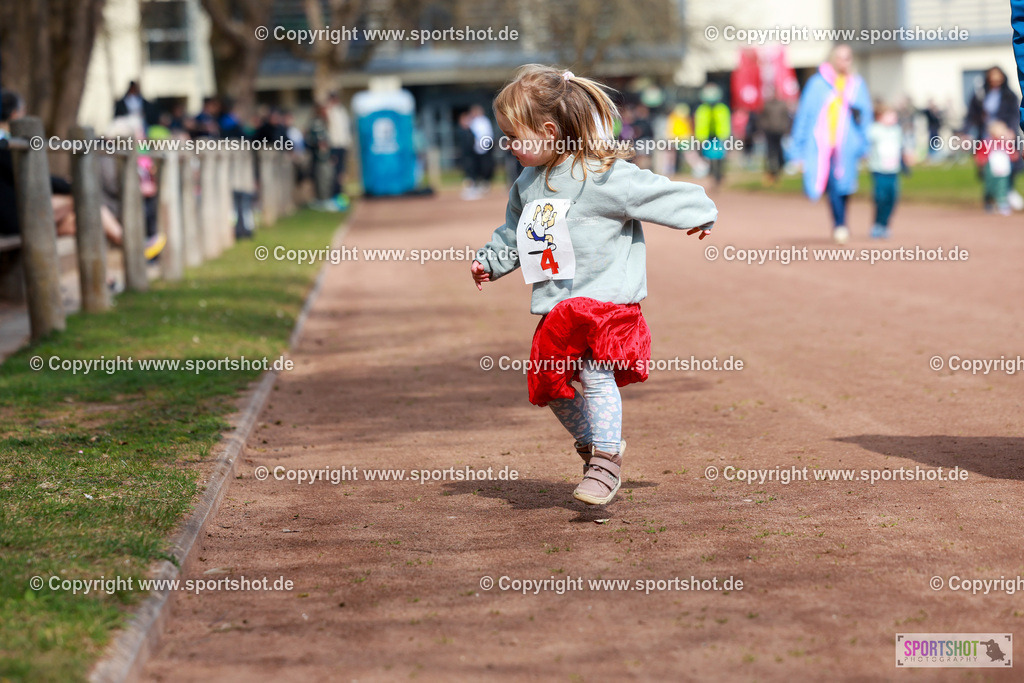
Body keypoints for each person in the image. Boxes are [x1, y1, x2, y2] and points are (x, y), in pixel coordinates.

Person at [469, 65, 717, 506]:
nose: (506, 144)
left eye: (513, 136)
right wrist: (491, 261)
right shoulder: (526, 184)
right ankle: (596, 443)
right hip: (556, 306)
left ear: (548, 131)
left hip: (604, 302)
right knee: (549, 384)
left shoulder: (601, 175)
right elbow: (513, 232)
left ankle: (605, 462)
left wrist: (698, 211)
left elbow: (654, 191)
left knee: (593, 374)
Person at [790, 44, 873, 244]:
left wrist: (865, 144)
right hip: (822, 145)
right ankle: (840, 224)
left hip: (848, 145)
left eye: (849, 57)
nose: (846, 62)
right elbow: (805, 116)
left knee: (846, 185)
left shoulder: (856, 84)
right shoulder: (817, 84)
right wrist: (797, 149)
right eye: (842, 57)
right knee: (832, 184)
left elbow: (866, 116)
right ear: (833, 59)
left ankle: (842, 220)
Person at [965, 66, 1022, 210]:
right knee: (989, 170)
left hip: (1005, 136)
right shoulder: (980, 95)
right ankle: (990, 198)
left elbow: (1015, 115)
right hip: (986, 137)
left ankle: (1007, 192)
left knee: (1006, 168)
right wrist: (965, 132)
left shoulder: (1009, 95)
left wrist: (1009, 131)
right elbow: (971, 116)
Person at [866, 104, 907, 238]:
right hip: (879, 171)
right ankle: (877, 224)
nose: (893, 117)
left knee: (892, 198)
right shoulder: (874, 130)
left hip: (893, 171)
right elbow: (865, 145)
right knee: (880, 198)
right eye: (889, 115)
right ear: (880, 117)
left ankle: (885, 224)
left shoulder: (897, 131)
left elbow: (901, 148)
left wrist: (905, 162)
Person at [693, 83, 731, 188]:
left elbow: (725, 123)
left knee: (719, 157)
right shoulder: (702, 109)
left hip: (719, 137)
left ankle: (718, 175)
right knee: (708, 157)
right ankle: (713, 175)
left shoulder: (722, 109)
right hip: (706, 138)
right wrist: (700, 138)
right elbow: (700, 124)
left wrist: (725, 136)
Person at [981, 120, 1016, 215]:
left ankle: (1002, 203)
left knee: (1002, 186)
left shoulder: (1005, 143)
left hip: (1003, 169)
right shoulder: (989, 142)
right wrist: (981, 161)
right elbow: (981, 153)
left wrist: (1013, 155)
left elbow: (1012, 153)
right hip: (991, 168)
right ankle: (989, 202)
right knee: (990, 186)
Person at [325, 92, 352, 209]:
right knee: (334, 173)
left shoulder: (342, 111)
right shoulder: (329, 111)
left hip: (342, 145)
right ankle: (334, 197)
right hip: (334, 146)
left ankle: (340, 196)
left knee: (341, 173)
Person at [760, 92, 791, 185]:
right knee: (770, 152)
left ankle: (779, 168)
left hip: (780, 131)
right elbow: (762, 118)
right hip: (769, 131)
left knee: (779, 151)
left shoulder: (782, 105)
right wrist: (764, 128)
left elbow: (786, 118)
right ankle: (771, 171)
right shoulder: (767, 105)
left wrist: (785, 128)